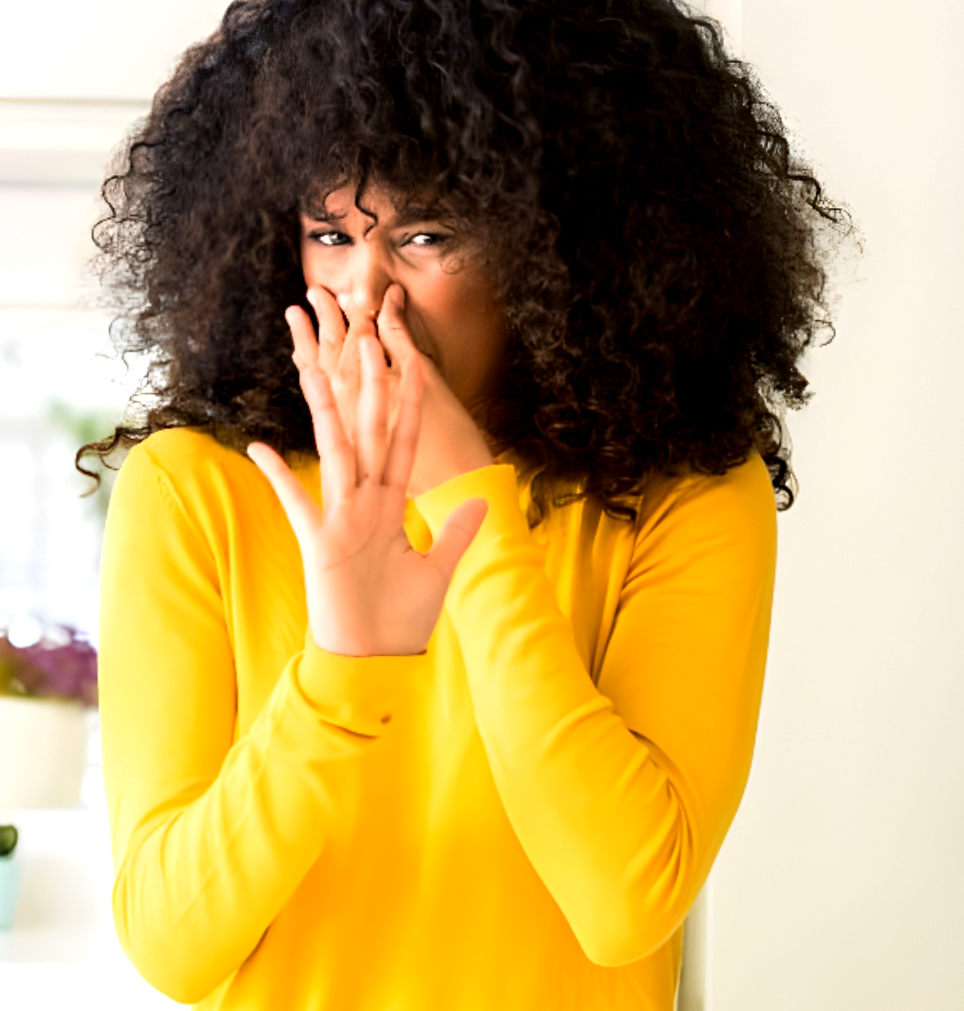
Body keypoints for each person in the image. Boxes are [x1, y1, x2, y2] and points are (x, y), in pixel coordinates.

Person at [82, 1, 849, 1007]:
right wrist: (340, 675)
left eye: (425, 235)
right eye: (329, 233)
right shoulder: (200, 486)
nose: (365, 292)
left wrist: (466, 508)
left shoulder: (689, 493)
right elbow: (171, 944)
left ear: (556, 250)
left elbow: (625, 900)